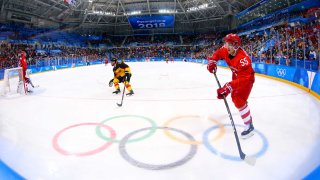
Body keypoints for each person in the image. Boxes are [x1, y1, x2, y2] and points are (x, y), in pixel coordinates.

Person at [207, 33, 255, 139]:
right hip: (236, 77)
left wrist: (229, 86)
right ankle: (243, 102)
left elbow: (244, 79)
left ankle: (249, 126)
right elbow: (218, 53)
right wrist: (212, 61)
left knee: (237, 99)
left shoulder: (243, 59)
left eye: (228, 44)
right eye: (226, 43)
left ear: (235, 45)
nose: (225, 46)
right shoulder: (226, 50)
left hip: (246, 80)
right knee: (236, 98)